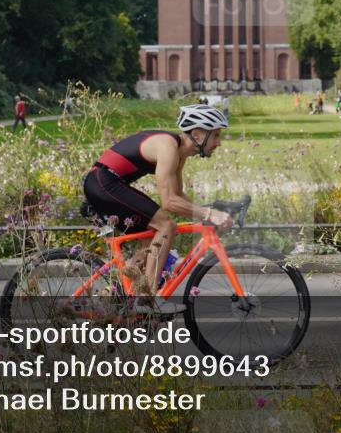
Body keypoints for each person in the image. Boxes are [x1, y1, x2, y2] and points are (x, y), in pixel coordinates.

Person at [81, 104, 233, 314]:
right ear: (197, 134)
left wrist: (205, 213)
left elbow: (178, 195)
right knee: (166, 226)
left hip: (107, 183)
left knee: (151, 240)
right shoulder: (168, 148)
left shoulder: (179, 154)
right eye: (215, 135)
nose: (218, 142)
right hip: (103, 182)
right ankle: (147, 300)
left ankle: (123, 297)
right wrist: (209, 214)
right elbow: (169, 202)